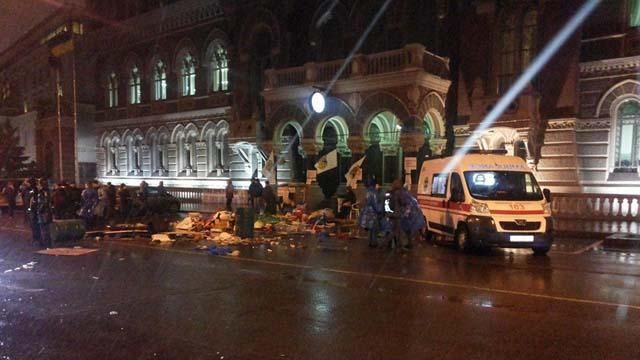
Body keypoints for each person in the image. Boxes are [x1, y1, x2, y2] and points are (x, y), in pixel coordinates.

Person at [359, 178, 384, 248]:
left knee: (370, 228)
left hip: (367, 211)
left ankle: (370, 242)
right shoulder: (374, 192)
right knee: (374, 228)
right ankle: (374, 242)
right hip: (373, 212)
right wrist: (380, 211)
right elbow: (376, 204)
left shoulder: (368, 192)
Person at [33, 178, 52, 247]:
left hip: (43, 214)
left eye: (38, 184)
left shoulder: (42, 192)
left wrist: (39, 210)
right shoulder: (44, 192)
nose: (37, 186)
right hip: (45, 213)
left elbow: (44, 202)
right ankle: (46, 243)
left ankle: (46, 244)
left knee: (44, 229)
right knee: (45, 229)